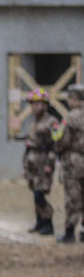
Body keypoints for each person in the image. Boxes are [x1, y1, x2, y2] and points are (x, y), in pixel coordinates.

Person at [19, 88, 61, 235]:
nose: (35, 107)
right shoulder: (33, 122)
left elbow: (55, 145)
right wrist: (25, 165)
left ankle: (48, 222)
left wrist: (50, 164)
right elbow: (29, 145)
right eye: (33, 104)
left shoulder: (53, 122)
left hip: (44, 163)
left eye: (38, 104)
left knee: (40, 194)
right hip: (32, 162)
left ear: (45, 105)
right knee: (34, 193)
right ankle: (40, 222)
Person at [55, 83, 84, 243]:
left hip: (73, 164)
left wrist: (58, 149)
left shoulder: (69, 118)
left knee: (73, 198)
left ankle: (70, 232)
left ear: (73, 99)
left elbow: (61, 140)